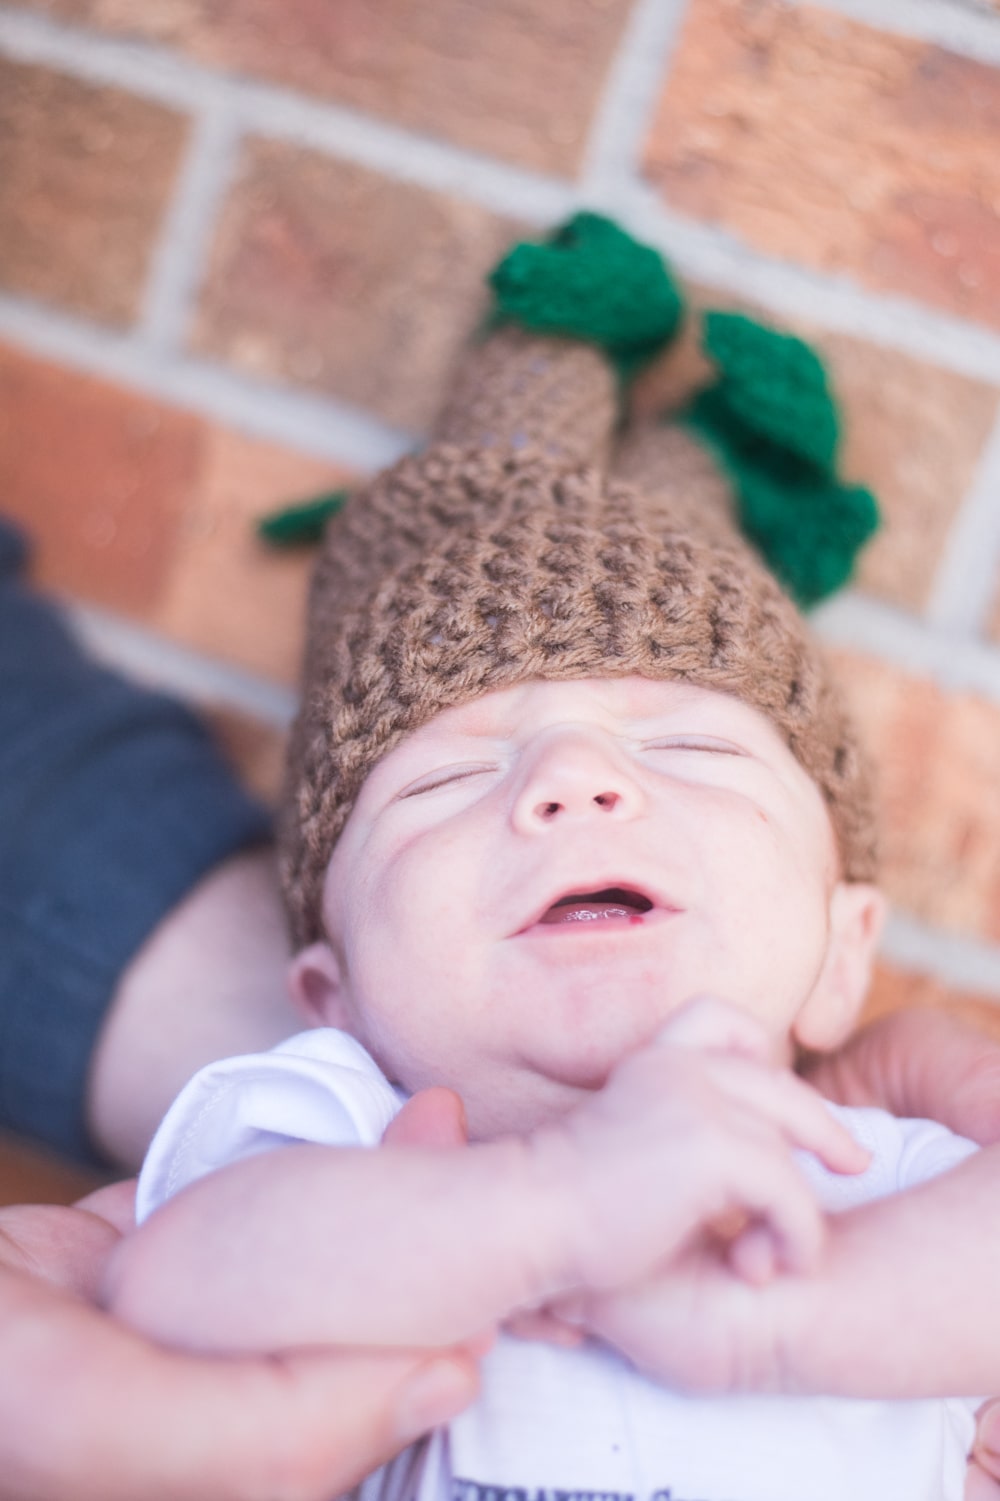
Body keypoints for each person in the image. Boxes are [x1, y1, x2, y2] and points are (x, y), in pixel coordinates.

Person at [98, 221, 1000, 1501]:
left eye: (691, 746)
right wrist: (553, 1204)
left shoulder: (874, 1179)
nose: (575, 783)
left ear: (842, 955)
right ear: (330, 997)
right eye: (449, 774)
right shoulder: (336, 1146)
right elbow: (166, 1286)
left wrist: (778, 1330)